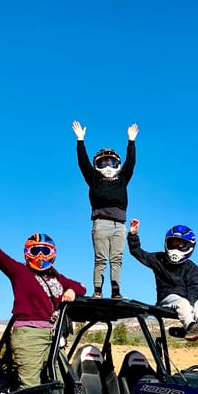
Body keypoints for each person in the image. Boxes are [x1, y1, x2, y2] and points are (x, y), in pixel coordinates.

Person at [0, 208, 86, 388]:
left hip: (54, 336)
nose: (40, 256)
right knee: (31, 388)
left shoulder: (57, 277)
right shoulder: (19, 272)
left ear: (53, 253)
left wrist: (72, 291)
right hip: (29, 335)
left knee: (62, 384)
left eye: (44, 250)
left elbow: (81, 286)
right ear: (27, 253)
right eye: (36, 251)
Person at [72, 120, 138, 299]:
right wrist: (80, 141)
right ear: (96, 165)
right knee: (101, 259)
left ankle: (116, 292)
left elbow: (131, 163)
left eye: (110, 162)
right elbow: (83, 163)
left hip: (120, 225)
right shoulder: (94, 179)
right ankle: (98, 292)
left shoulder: (122, 178)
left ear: (117, 164)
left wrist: (131, 141)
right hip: (100, 224)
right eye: (102, 163)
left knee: (117, 259)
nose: (107, 167)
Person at [127, 219, 198, 341]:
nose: (176, 247)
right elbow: (137, 252)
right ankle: (191, 328)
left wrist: (191, 302)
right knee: (182, 303)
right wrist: (133, 235)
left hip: (187, 300)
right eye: (173, 243)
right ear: (167, 243)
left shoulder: (192, 268)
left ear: (189, 246)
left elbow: (195, 287)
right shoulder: (159, 259)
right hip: (166, 299)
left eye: (180, 244)